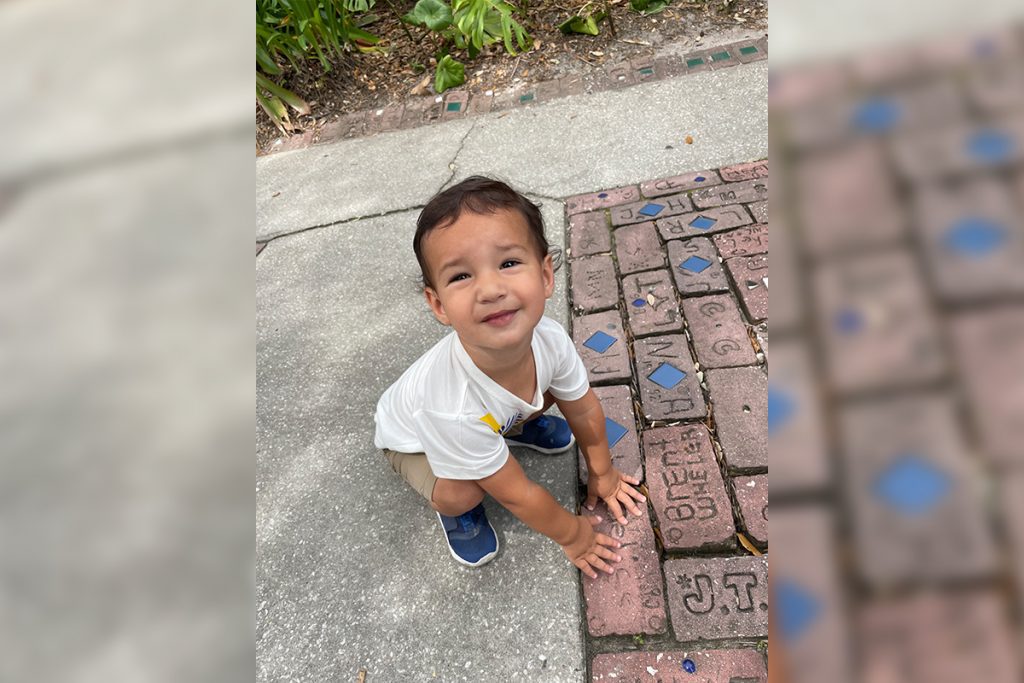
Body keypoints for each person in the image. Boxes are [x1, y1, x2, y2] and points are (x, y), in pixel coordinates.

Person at [374, 175, 646, 578]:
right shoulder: (452, 408)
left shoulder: (550, 339)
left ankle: (507, 430)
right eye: (461, 276)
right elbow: (517, 493)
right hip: (411, 440)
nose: (489, 288)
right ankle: (457, 513)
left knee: (551, 392)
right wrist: (574, 535)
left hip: (481, 419)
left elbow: (584, 407)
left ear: (546, 275)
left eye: (508, 263)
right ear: (438, 305)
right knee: (465, 489)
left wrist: (603, 471)